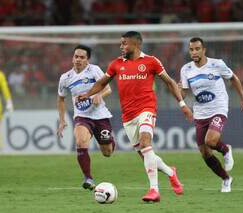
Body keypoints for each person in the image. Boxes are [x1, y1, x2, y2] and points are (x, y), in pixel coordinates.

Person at [78, 31, 193, 202]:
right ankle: (170, 172)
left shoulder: (151, 61)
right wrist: (88, 94)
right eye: (120, 43)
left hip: (147, 109)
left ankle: (154, 191)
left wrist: (183, 105)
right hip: (128, 116)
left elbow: (169, 82)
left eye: (124, 43)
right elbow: (102, 82)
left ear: (136, 44)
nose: (121, 46)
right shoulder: (116, 64)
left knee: (146, 143)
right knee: (146, 155)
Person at [179, 37, 243, 193]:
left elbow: (233, 78)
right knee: (205, 153)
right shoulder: (186, 69)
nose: (194, 52)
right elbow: (184, 92)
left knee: (211, 141)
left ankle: (225, 150)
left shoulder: (217, 64)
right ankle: (226, 179)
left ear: (204, 50)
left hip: (218, 108)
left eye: (197, 48)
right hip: (200, 112)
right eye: (191, 49)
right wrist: (178, 91)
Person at [56, 45, 116, 191]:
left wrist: (99, 95)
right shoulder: (65, 78)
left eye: (82, 57)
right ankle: (88, 178)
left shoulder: (94, 70)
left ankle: (110, 140)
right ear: (72, 58)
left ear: (87, 60)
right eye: (76, 56)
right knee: (81, 142)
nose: (78, 60)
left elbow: (108, 88)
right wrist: (62, 120)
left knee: (107, 152)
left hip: (100, 115)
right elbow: (61, 99)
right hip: (82, 117)